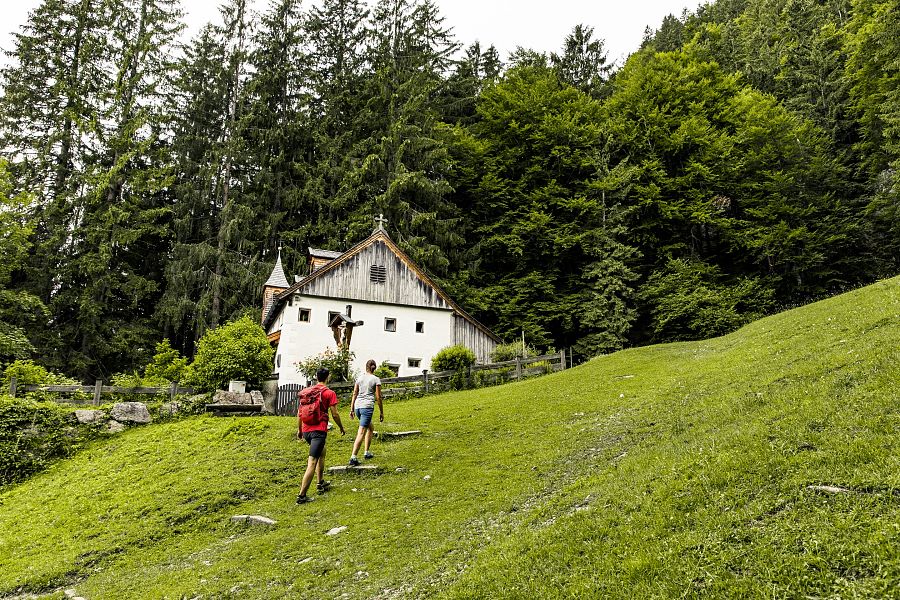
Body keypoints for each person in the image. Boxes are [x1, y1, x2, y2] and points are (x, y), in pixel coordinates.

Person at [296, 367, 345, 504]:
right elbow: (335, 414)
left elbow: (300, 413)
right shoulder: (329, 393)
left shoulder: (308, 392)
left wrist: (300, 430)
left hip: (306, 431)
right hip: (319, 432)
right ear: (328, 377)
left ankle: (320, 482)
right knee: (312, 462)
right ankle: (301, 496)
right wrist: (341, 427)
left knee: (322, 452)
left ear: (316, 377)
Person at [348, 359, 383, 466]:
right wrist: (381, 412)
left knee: (370, 428)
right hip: (367, 407)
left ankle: (367, 452)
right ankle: (353, 457)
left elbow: (354, 393)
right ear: (374, 368)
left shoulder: (359, 378)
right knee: (361, 432)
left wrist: (352, 409)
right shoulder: (376, 379)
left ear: (366, 367)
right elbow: (378, 397)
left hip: (358, 407)